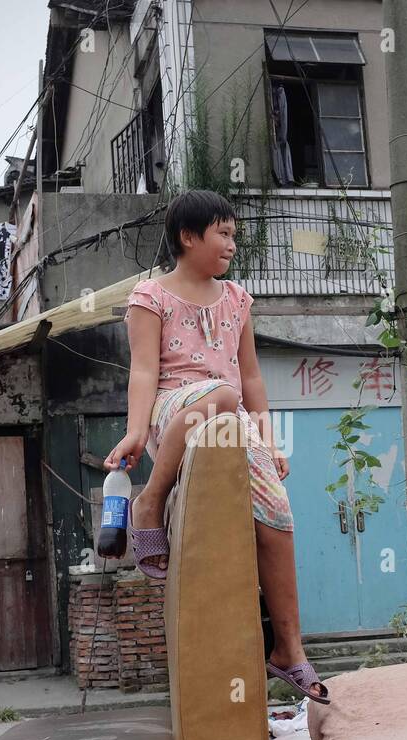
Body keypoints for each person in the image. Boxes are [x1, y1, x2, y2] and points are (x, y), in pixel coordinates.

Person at [104, 190, 329, 704]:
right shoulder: (149, 297)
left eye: (233, 234)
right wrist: (137, 431)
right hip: (176, 413)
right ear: (189, 236)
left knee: (278, 512)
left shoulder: (237, 300)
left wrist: (269, 443)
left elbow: (251, 376)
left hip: (232, 419)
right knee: (221, 394)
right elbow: (142, 371)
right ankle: (149, 501)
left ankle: (288, 650)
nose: (232, 243)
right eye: (223, 233)